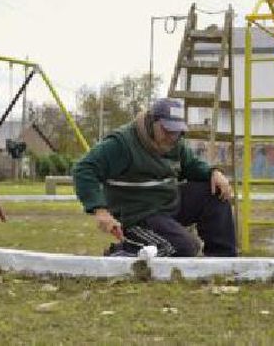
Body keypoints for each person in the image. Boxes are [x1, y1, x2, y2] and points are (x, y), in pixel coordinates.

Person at [72, 98, 237, 257]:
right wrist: (100, 211)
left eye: (177, 132)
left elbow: (192, 166)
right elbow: (84, 168)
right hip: (138, 214)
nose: (172, 137)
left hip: (168, 204)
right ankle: (125, 251)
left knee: (215, 193)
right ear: (152, 122)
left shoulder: (175, 143)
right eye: (167, 131)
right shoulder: (121, 143)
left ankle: (222, 261)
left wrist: (214, 173)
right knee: (184, 248)